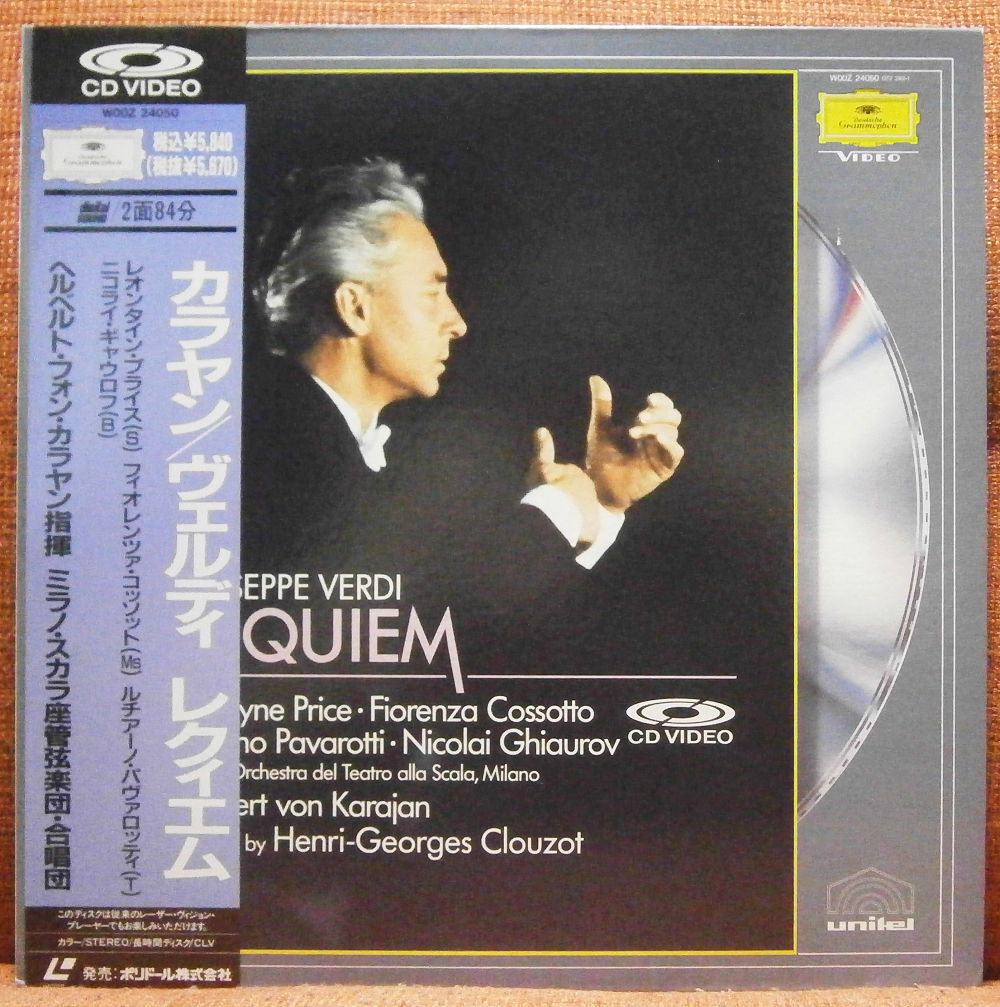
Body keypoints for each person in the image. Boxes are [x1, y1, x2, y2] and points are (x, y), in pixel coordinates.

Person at [242, 158, 683, 595]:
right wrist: (557, 514)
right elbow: (423, 620)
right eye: (432, 293)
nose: (457, 323)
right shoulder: (273, 453)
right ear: (355, 307)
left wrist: (599, 502)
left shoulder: (333, 457)